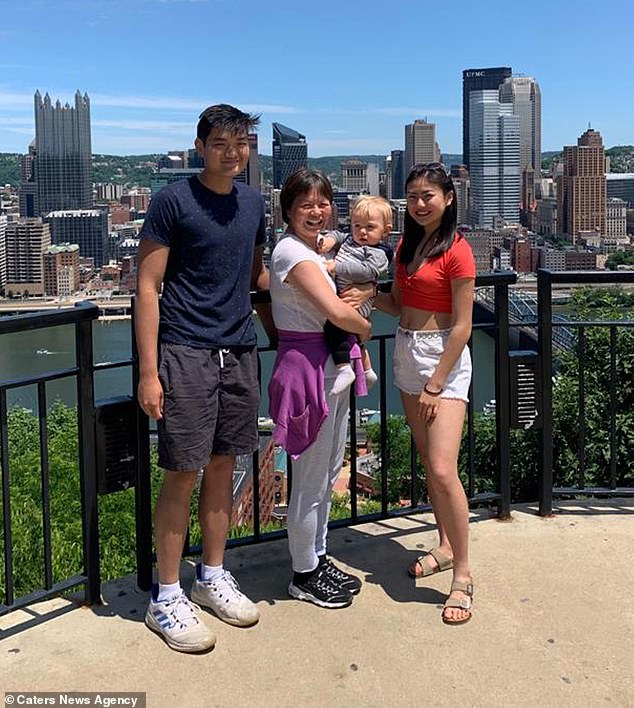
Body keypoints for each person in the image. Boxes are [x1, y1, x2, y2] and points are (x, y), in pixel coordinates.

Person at [135, 104, 275, 652]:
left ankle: (211, 575)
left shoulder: (254, 203)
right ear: (200, 147)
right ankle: (165, 596)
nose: (232, 153)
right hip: (186, 351)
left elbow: (256, 276)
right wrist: (150, 372)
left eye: (241, 143)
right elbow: (147, 287)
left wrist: (317, 276)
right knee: (182, 472)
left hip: (238, 349)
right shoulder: (173, 200)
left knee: (222, 465)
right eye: (221, 143)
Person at [375, 162, 476, 625]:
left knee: (441, 467)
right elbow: (400, 306)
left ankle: (464, 573)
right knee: (428, 462)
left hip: (443, 360)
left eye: (428, 195)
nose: (419, 203)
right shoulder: (406, 247)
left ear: (448, 198)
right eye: (413, 196)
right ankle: (445, 545)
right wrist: (365, 295)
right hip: (406, 350)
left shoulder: (459, 251)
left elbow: (463, 326)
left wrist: (437, 382)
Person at [268, 168, 371, 609]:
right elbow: (336, 311)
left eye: (322, 203)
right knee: (310, 482)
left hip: (331, 368)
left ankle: (318, 556)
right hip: (309, 371)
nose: (316, 211)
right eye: (305, 204)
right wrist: (364, 328)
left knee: (327, 473)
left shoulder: (315, 249)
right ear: (288, 210)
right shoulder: (292, 252)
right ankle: (304, 573)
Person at [317, 195, 393, 394]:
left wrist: (337, 267)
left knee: (334, 326)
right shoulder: (351, 239)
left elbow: (366, 271)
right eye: (357, 225)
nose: (362, 231)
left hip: (358, 300)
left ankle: (344, 368)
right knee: (355, 336)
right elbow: (339, 235)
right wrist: (329, 240)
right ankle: (367, 370)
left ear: (385, 231)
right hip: (349, 296)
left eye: (370, 227)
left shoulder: (379, 253)